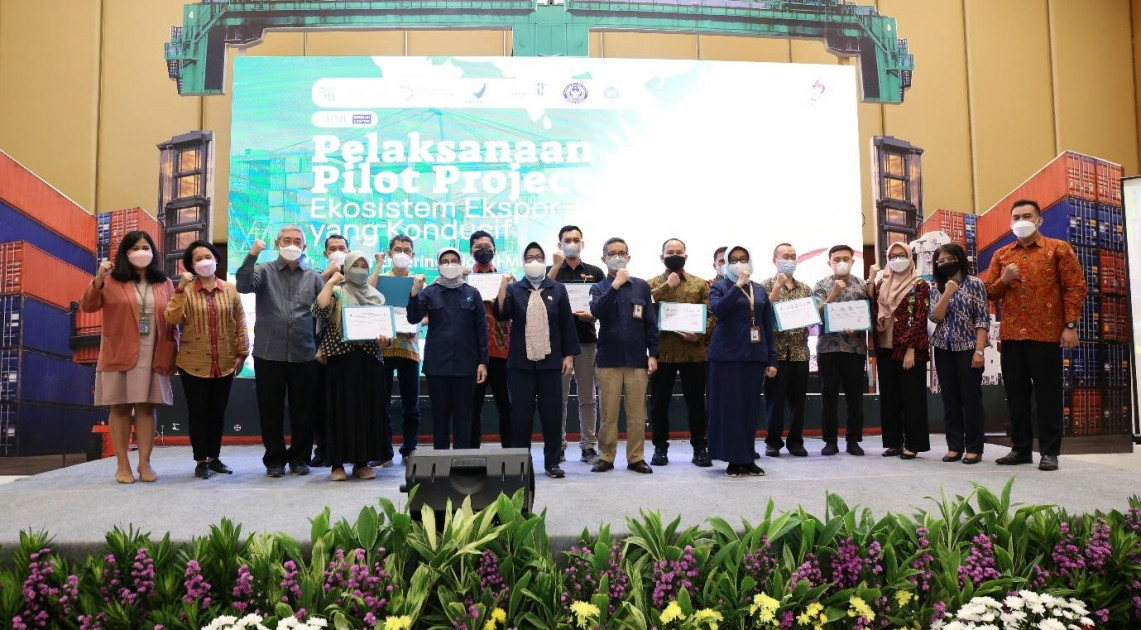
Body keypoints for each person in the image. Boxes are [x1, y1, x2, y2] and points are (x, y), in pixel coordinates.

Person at [983, 199, 1086, 471]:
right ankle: (1020, 449)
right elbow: (989, 293)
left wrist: (1070, 325)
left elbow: (1075, 287)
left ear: (1039, 220)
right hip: (1012, 336)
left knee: (1048, 395)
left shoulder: (1058, 249)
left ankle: (1050, 452)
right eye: (1016, 217)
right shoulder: (1002, 254)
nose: (1021, 221)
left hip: (1046, 334)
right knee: (1016, 396)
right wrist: (1004, 279)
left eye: (1027, 216)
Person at [81, 230, 178, 484]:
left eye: (146, 248)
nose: (141, 252)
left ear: (154, 252)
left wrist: (174, 353)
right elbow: (88, 306)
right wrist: (98, 279)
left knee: (147, 407)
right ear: (125, 253)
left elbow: (174, 320)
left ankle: (145, 462)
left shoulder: (165, 283)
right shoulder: (111, 280)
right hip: (119, 352)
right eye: (135, 248)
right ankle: (122, 464)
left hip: (154, 353)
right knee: (120, 407)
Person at [236, 226, 324, 478]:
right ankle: (274, 459)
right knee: (270, 410)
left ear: (305, 247)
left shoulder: (313, 277)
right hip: (268, 352)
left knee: (304, 410)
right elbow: (243, 285)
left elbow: (324, 313)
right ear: (277, 244)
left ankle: (299, 458)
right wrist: (252, 254)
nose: (292, 245)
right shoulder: (263, 270)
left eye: (297, 241)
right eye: (287, 240)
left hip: (304, 352)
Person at [494, 242, 580, 478]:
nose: (534, 261)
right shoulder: (514, 289)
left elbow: (566, 324)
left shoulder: (557, 289)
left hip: (550, 362)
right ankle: (521, 464)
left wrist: (569, 355)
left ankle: (552, 462)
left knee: (552, 414)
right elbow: (501, 314)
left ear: (545, 261)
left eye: (539, 257)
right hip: (520, 363)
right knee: (521, 416)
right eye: (529, 257)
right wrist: (502, 287)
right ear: (523, 262)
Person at [165, 240, 249, 479]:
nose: (204, 262)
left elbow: (240, 322)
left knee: (217, 412)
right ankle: (201, 460)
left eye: (208, 257)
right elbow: (171, 318)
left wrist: (242, 352)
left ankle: (214, 457)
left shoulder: (230, 290)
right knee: (198, 412)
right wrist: (180, 289)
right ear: (191, 265)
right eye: (198, 259)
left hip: (225, 361)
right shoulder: (186, 291)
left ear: (216, 260)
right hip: (192, 362)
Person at [312, 252, 392, 481]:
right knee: (339, 410)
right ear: (346, 267)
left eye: (364, 265)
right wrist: (330, 282)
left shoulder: (376, 295)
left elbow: (386, 331)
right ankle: (337, 464)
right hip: (340, 360)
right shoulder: (337, 291)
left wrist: (385, 340)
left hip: (369, 360)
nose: (360, 269)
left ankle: (361, 463)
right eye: (355, 265)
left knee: (367, 411)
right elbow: (318, 310)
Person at [407, 248, 489, 449]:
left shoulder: (472, 293)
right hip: (437, 366)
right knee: (440, 418)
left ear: (461, 264)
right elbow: (413, 318)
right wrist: (414, 291)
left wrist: (483, 362)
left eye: (454, 261)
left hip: (466, 365)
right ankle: (440, 461)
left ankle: (462, 460)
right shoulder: (429, 292)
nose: (450, 264)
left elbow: (481, 330)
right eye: (445, 261)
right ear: (438, 265)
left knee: (464, 417)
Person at [588, 238, 658, 474]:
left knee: (637, 414)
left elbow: (650, 322)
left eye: (621, 253)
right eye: (612, 253)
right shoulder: (599, 287)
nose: (617, 257)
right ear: (604, 258)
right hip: (608, 359)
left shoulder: (642, 286)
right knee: (608, 414)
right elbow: (597, 311)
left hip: (637, 359)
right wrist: (615, 285)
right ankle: (606, 457)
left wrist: (653, 353)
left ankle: (636, 457)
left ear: (628, 257)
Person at [707, 246, 775, 477]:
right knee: (730, 409)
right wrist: (738, 285)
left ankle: (747, 457)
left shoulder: (760, 289)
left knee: (749, 409)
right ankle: (733, 460)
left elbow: (767, 326)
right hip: (726, 357)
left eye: (743, 259)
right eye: (733, 260)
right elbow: (720, 310)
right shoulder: (719, 286)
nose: (739, 263)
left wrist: (772, 359)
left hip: (754, 356)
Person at [647, 238, 712, 467]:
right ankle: (660, 448)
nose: (675, 255)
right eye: (670, 252)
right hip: (662, 353)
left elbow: (711, 314)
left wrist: (700, 334)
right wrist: (668, 286)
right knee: (659, 404)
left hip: (694, 353)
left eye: (679, 252)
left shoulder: (699, 283)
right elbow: (644, 307)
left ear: (686, 256)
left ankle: (700, 447)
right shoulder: (651, 284)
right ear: (662, 257)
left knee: (696, 403)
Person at [547, 225, 605, 464]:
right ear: (559, 244)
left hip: (586, 341)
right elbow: (539, 295)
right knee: (558, 397)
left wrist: (592, 315)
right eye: (567, 240)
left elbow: (603, 304)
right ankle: (558, 445)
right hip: (557, 345)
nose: (572, 243)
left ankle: (588, 445)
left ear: (583, 244)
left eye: (576, 239)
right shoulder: (551, 271)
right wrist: (555, 267)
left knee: (588, 397)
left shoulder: (595, 272)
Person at [868, 242, 931, 459]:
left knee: (912, 397)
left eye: (901, 255)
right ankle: (893, 443)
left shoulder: (920, 285)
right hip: (885, 347)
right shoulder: (882, 284)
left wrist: (911, 348)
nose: (897, 259)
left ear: (910, 257)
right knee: (889, 397)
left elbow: (920, 317)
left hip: (909, 349)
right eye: (892, 256)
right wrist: (871, 278)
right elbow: (872, 306)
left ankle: (913, 444)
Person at [930, 243, 990, 464]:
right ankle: (954, 446)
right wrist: (947, 293)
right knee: (950, 399)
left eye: (949, 259)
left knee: (971, 399)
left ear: (959, 259)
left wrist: (979, 351)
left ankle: (974, 447)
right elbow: (935, 317)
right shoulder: (935, 287)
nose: (945, 263)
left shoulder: (975, 284)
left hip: (968, 349)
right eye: (940, 261)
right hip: (943, 349)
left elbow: (982, 320)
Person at [369, 234, 423, 465]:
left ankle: (409, 449)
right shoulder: (381, 279)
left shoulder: (418, 281)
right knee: (381, 403)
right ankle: (383, 452)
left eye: (406, 250)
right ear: (390, 253)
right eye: (397, 249)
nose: (402, 254)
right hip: (383, 347)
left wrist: (415, 322)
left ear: (413, 254)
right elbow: (368, 295)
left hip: (409, 348)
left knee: (411, 404)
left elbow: (426, 314)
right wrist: (378, 264)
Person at [813, 244, 869, 456]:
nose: (841, 262)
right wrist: (833, 294)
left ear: (853, 261)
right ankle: (830, 441)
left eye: (846, 258)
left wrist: (859, 328)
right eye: (837, 259)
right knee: (829, 397)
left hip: (854, 348)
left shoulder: (862, 285)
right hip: (828, 348)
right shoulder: (821, 285)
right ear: (830, 262)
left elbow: (869, 315)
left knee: (855, 397)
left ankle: (853, 440)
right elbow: (815, 314)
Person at [760, 243, 812, 457]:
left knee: (798, 401)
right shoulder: (764, 285)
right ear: (775, 260)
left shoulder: (805, 288)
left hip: (800, 352)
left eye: (793, 256)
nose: (789, 260)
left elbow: (811, 318)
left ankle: (796, 441)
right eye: (785, 256)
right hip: (776, 353)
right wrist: (778, 286)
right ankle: (773, 441)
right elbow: (762, 313)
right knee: (775, 400)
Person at [469, 230, 513, 448]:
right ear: (471, 251)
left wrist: (505, 293)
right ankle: (470, 454)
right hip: (473, 352)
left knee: (506, 405)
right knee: (472, 406)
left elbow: (514, 312)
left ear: (495, 250)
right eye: (478, 247)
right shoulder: (464, 280)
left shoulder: (506, 280)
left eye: (487, 247)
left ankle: (510, 452)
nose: (483, 251)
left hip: (502, 350)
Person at [310, 233, 351, 467]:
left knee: (348, 400)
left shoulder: (356, 276)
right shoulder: (317, 275)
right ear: (326, 253)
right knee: (321, 400)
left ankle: (349, 448)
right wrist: (328, 275)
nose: (337, 252)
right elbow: (309, 301)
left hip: (351, 347)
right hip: (319, 346)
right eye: (333, 248)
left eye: (342, 248)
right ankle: (323, 448)